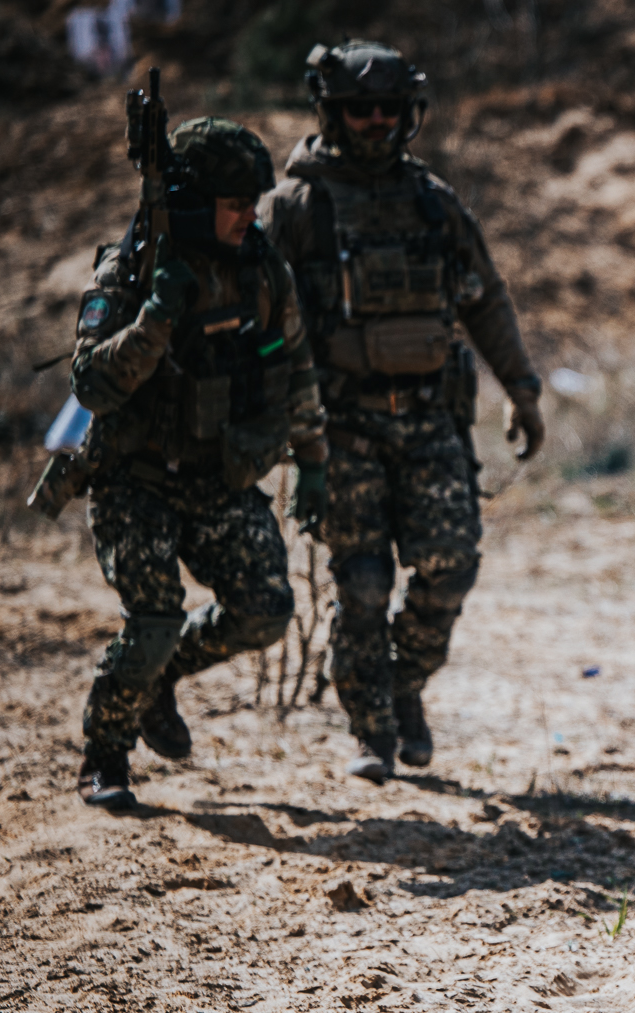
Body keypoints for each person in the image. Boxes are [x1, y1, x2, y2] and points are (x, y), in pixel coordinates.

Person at [259, 40, 544, 784]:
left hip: (429, 421)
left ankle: (403, 682)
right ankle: (373, 729)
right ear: (331, 112)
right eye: (361, 109)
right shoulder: (295, 209)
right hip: (341, 426)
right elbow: (258, 320)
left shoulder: (433, 202)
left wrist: (522, 391)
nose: (378, 120)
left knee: (451, 566)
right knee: (361, 584)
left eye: (390, 107)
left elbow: (485, 299)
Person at [70, 117, 329, 811]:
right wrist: (155, 319)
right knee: (153, 621)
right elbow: (91, 385)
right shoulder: (131, 270)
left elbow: (296, 365)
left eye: (253, 201)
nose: (250, 215)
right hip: (137, 478)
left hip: (219, 475)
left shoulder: (261, 269)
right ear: (193, 204)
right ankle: (105, 755)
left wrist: (313, 461)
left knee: (266, 609)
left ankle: (161, 676)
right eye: (234, 203)